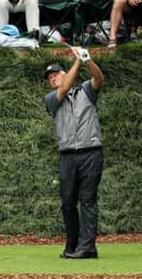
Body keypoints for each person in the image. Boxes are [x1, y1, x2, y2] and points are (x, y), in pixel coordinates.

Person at [43, 46, 104, 259]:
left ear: (64, 73)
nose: (52, 79)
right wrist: (77, 62)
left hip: (91, 152)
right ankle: (72, 245)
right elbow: (64, 88)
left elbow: (99, 79)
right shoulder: (52, 98)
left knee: (87, 199)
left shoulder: (85, 90)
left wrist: (87, 60)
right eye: (49, 77)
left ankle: (87, 247)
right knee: (68, 202)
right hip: (67, 155)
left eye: (55, 75)